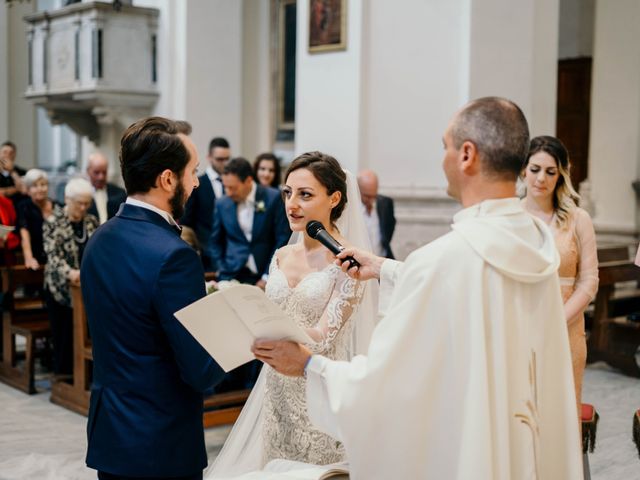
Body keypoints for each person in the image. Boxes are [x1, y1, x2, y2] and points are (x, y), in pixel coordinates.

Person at [253, 97, 583, 479]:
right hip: (525, 448)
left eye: (444, 146)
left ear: (467, 155)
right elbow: (464, 283)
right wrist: (383, 268)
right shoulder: (534, 243)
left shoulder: (444, 260)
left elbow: (385, 385)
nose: (442, 158)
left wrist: (309, 364)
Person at [207, 152, 378, 478]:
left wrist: (277, 334)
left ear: (335, 198)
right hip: (276, 389)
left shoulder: (347, 261)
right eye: (288, 193)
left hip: (317, 390)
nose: (292, 204)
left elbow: (324, 335)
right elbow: (270, 311)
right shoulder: (282, 255)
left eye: (305, 194)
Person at [81, 117, 224, 480]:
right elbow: (198, 370)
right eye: (192, 171)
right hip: (161, 444)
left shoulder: (99, 239)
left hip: (111, 435)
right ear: (167, 179)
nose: (196, 182)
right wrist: (239, 337)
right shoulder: (174, 256)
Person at [522, 135, 599, 418]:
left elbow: (589, 280)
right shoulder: (511, 218)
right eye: (535, 169)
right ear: (523, 170)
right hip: (522, 325)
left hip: (567, 328)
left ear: (561, 175)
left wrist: (557, 318)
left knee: (560, 413)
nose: (541, 178)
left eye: (550, 172)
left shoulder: (579, 219)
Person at [208, 157, 290, 393]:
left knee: (258, 330)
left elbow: (281, 238)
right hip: (232, 273)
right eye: (225, 186)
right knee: (231, 330)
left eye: (233, 187)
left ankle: (251, 387)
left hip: (262, 274)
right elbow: (215, 241)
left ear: (248, 181)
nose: (228, 191)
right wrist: (222, 268)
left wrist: (268, 274)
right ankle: (229, 385)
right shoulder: (223, 203)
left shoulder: (273, 198)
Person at [43, 178, 99, 379]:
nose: (83, 208)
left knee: (90, 331)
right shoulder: (53, 223)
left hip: (87, 288)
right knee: (65, 332)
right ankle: (65, 375)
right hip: (60, 288)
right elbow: (53, 257)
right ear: (67, 199)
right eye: (79, 203)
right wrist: (71, 273)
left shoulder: (91, 221)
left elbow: (98, 252)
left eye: (87, 203)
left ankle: (87, 373)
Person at [181, 137, 230, 272]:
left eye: (227, 159)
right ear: (209, 157)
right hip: (204, 252)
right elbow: (187, 221)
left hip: (229, 254)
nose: (225, 164)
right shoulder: (197, 184)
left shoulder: (231, 184)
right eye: (220, 159)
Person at [18, 169, 55, 270]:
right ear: (28, 190)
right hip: (37, 258)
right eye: (35, 186)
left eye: (43, 184)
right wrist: (29, 258)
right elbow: (24, 234)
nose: (40, 189)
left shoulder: (57, 207)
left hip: (56, 259)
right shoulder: (24, 207)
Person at [357, 169, 396, 258]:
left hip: (382, 258)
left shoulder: (386, 203)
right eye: (367, 196)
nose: (371, 200)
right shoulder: (349, 207)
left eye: (374, 196)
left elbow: (389, 229)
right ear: (357, 190)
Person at [85, 152, 127, 225]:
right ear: (88, 171)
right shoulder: (82, 195)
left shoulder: (120, 194)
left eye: (104, 172)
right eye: (96, 172)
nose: (101, 177)